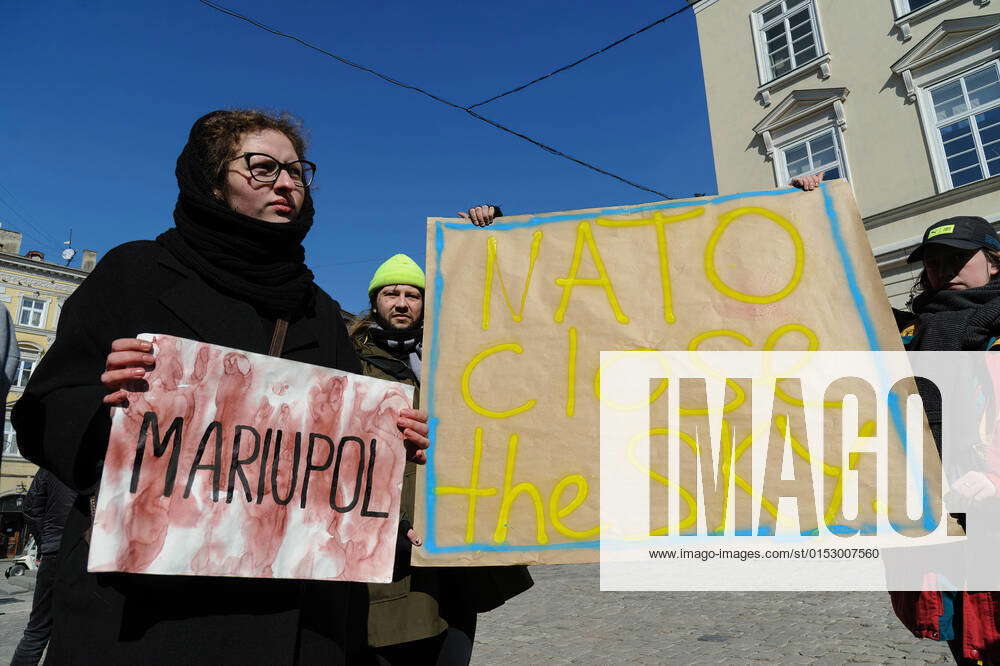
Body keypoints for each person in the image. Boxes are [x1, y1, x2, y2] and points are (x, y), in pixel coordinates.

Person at [10, 109, 429, 665]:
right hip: (148, 610)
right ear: (210, 181)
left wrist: (394, 442)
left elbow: (337, 453)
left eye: (297, 172)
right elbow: (43, 413)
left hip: (298, 612)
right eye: (261, 168)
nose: (286, 183)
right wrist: (101, 403)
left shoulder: (320, 312)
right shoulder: (136, 274)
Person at [351, 230, 532, 665]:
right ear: (375, 302)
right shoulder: (350, 359)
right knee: (393, 641)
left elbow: (515, 322)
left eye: (412, 294)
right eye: (390, 293)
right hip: (390, 539)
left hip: (454, 537)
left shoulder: (453, 357)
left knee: (453, 643)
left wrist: (490, 235)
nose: (401, 302)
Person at [887, 216, 1000, 664]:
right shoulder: (908, 333)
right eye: (934, 262)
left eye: (958, 258)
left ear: (993, 261)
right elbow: (828, 293)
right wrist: (811, 206)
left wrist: (995, 474)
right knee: (967, 632)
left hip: (990, 498)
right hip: (943, 505)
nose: (944, 269)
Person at [10, 469, 76, 666]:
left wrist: (45, 542)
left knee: (37, 630)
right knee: (79, 627)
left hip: (54, 550)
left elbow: (30, 508)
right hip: (85, 551)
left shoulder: (50, 466)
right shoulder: (99, 460)